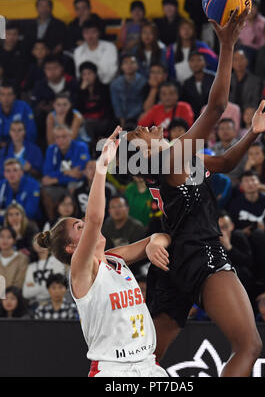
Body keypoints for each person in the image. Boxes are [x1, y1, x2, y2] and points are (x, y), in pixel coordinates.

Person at [123, 10, 265, 376]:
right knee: (249, 345)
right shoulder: (171, 159)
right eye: (141, 132)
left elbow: (223, 163)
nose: (149, 126)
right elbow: (215, 108)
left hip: (176, 260)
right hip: (201, 253)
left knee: (147, 360)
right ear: (142, 154)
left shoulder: (174, 162)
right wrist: (226, 46)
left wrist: (253, 132)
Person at [35, 127, 170, 377]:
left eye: (82, 222)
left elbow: (162, 236)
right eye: (79, 226)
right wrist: (102, 166)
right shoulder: (81, 270)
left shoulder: (115, 259)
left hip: (149, 366)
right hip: (113, 371)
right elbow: (96, 218)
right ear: (72, 248)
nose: (85, 225)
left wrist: (154, 243)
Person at [42, 125, 90, 221]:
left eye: (64, 136)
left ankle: (76, 220)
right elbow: (47, 173)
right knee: (44, 189)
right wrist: (67, 172)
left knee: (72, 186)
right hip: (59, 185)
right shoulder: (51, 149)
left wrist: (55, 179)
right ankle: (53, 222)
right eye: (57, 137)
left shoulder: (81, 147)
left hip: (77, 184)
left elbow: (79, 175)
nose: (61, 140)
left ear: (70, 136)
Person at [74, 61, 116, 147]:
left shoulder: (104, 89)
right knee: (85, 125)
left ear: (95, 75)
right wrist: (81, 91)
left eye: (89, 73)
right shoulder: (78, 90)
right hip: (85, 122)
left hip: (102, 121)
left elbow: (108, 109)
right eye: (84, 74)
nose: (86, 77)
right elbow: (77, 109)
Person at [167, 18, 218, 84]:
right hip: (178, 86)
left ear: (193, 31)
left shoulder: (202, 46)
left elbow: (215, 63)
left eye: (189, 28)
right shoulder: (172, 48)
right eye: (183, 28)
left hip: (200, 86)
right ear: (179, 31)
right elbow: (169, 70)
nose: (186, 31)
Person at [218, 211, 255, 299]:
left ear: (232, 226)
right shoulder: (213, 242)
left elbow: (248, 261)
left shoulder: (239, 237)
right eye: (219, 228)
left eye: (225, 227)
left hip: (240, 278)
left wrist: (230, 248)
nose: (222, 231)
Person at [22, 236, 66, 310]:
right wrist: (45, 288)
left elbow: (58, 288)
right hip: (35, 306)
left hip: (55, 304)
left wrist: (34, 287)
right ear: (33, 245)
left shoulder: (57, 262)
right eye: (36, 240)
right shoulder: (31, 266)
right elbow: (26, 293)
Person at [73, 19, 118, 85]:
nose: (90, 36)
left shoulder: (110, 47)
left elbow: (113, 72)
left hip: (108, 84)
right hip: (86, 85)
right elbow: (79, 73)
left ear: (99, 33)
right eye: (86, 33)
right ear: (82, 34)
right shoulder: (78, 51)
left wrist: (99, 85)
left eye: (93, 32)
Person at [110, 55, 147, 130]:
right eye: (126, 63)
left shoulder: (144, 82)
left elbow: (144, 102)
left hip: (139, 117)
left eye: (132, 62)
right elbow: (116, 104)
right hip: (122, 119)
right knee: (122, 137)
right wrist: (122, 121)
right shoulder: (115, 84)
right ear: (121, 66)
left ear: (137, 65)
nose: (129, 65)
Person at [0, 158, 41, 223]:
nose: (11, 174)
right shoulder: (1, 185)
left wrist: (4, 214)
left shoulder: (33, 185)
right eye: (8, 171)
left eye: (15, 170)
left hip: (28, 223)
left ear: (21, 172)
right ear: (4, 174)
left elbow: (30, 213)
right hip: (5, 223)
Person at [0, 81, 37, 147]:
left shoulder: (24, 107)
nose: (6, 98)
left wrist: (16, 146)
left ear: (14, 96)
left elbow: (31, 132)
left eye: (9, 94)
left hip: (21, 146)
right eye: (2, 94)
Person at [181, 51, 215, 119]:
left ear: (205, 63)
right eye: (192, 60)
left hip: (213, 115)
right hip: (195, 119)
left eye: (199, 60)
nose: (195, 63)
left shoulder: (214, 78)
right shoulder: (187, 83)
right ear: (189, 64)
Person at [212, 118, 246, 185]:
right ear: (217, 132)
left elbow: (244, 168)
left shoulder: (241, 147)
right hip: (217, 183)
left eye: (228, 128)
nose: (225, 131)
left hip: (237, 183)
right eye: (222, 129)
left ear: (235, 131)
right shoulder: (213, 149)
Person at [229, 49, 261, 115]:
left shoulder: (255, 81)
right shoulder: (228, 80)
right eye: (235, 59)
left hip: (249, 113)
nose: (239, 62)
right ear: (231, 63)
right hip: (231, 113)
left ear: (247, 61)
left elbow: (255, 101)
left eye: (241, 59)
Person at [0, 21, 27, 87]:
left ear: (18, 36)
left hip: (16, 87)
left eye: (15, 34)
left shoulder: (23, 52)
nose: (12, 37)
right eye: (8, 34)